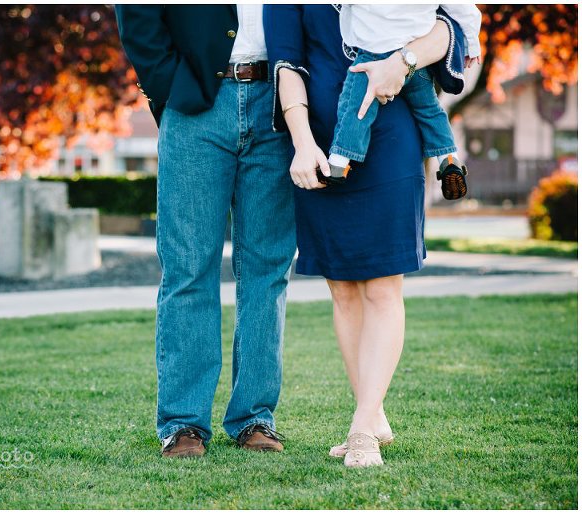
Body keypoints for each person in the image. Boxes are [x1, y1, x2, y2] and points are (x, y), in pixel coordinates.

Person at [264, 5, 467, 467]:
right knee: (344, 289)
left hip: (393, 132)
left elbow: (449, 28)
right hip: (321, 142)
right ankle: (371, 414)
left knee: (381, 284)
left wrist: (404, 62)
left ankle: (362, 431)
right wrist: (301, 143)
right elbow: (286, 64)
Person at [114, 5, 294, 458]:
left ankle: (255, 416)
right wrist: (170, 86)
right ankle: (183, 423)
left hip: (280, 106)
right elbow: (137, 15)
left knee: (267, 270)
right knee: (189, 269)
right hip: (197, 106)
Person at [325, 5, 481, 201]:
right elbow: (466, 10)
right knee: (430, 111)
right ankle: (449, 158)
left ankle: (339, 161)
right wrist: (472, 46)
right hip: (416, 59)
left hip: (373, 56)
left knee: (356, 107)